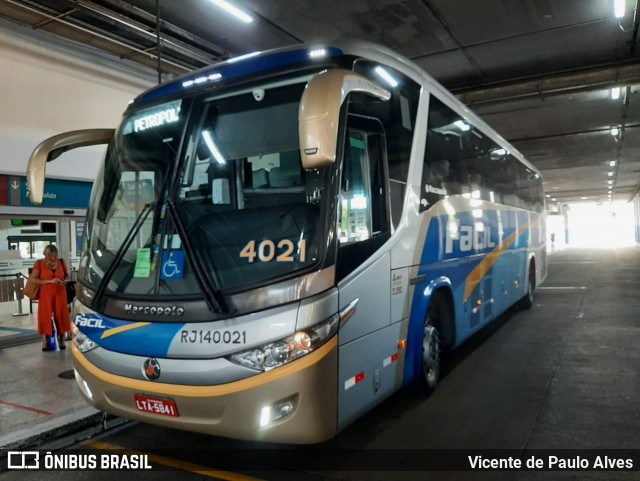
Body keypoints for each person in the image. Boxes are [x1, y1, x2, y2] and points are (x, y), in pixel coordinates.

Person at [29, 244, 71, 351]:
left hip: (60, 292)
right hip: (46, 293)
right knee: (45, 316)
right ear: (46, 255)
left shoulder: (61, 262)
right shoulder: (39, 264)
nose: (53, 258)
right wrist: (49, 281)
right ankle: (45, 341)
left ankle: (62, 340)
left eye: (55, 256)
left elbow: (67, 275)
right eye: (51, 256)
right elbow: (33, 279)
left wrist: (65, 280)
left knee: (61, 315)